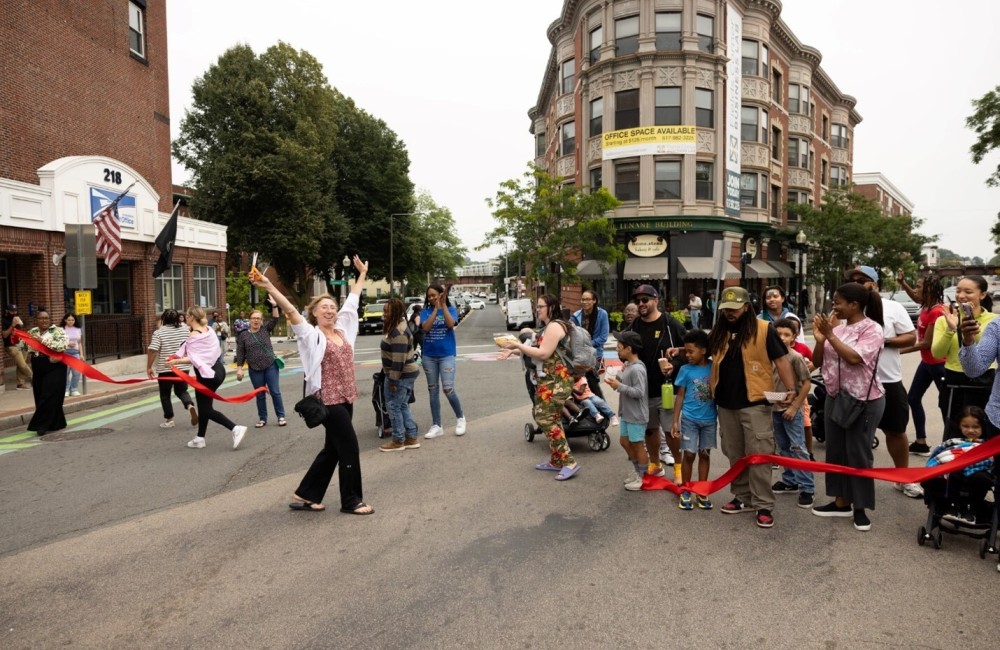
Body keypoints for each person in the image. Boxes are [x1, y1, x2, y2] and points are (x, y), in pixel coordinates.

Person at [252, 256, 374, 514]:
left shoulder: (343, 330)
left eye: (332, 307)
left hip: (346, 398)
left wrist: (362, 274)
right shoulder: (310, 335)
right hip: (328, 401)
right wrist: (269, 287)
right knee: (349, 447)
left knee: (333, 449)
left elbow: (352, 300)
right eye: (324, 308)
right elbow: (291, 311)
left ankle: (307, 494)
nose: (330, 310)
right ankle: (351, 501)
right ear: (315, 314)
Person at [707, 287, 796, 529]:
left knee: (758, 455)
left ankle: (763, 504)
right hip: (725, 405)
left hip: (756, 402)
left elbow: (781, 360)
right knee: (735, 454)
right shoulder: (720, 331)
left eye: (735, 309)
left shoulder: (764, 329)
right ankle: (742, 497)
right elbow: (707, 357)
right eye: (726, 309)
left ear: (747, 307)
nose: (730, 313)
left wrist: (791, 389)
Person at [810, 282, 885, 532]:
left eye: (838, 302)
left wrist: (830, 335)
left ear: (854, 305)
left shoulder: (872, 329)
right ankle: (840, 502)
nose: (834, 307)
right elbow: (817, 361)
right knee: (836, 452)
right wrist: (821, 340)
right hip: (835, 398)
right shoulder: (838, 329)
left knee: (858, 454)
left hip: (863, 401)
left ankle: (860, 508)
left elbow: (855, 358)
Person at [846, 266, 920, 498]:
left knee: (896, 431)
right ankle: (854, 482)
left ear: (875, 283)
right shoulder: (844, 308)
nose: (859, 283)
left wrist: (884, 341)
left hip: (888, 380)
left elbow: (911, 336)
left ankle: (903, 477)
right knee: (855, 435)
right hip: (855, 383)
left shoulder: (893, 307)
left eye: (864, 280)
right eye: (854, 280)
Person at [500, 294, 580, 481]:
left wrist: (517, 345)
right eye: (537, 306)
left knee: (544, 418)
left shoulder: (554, 326)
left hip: (557, 381)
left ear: (551, 307)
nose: (538, 309)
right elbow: (534, 347)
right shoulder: (548, 326)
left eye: (541, 306)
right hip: (548, 380)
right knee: (547, 417)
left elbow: (543, 353)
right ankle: (556, 460)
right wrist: (514, 349)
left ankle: (569, 462)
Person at [623, 284, 686, 476]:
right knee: (650, 430)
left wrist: (674, 363)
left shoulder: (670, 324)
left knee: (670, 431)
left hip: (667, 389)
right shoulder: (635, 325)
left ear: (656, 300)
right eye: (637, 301)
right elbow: (624, 349)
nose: (640, 304)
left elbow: (689, 350)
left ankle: (678, 467)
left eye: (645, 300)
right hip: (643, 391)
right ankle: (655, 464)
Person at [168, 306, 247, 451]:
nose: (185, 317)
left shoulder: (193, 336)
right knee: (205, 406)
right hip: (218, 370)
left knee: (205, 410)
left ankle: (235, 428)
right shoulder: (209, 330)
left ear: (192, 317)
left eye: (187, 315)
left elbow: (194, 359)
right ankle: (200, 438)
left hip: (206, 376)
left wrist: (175, 362)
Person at [930, 275, 997, 441]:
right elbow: (937, 353)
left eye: (968, 291)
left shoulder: (994, 322)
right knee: (954, 432)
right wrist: (951, 329)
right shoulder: (944, 319)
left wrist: (971, 330)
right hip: (953, 381)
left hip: (983, 381)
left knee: (983, 433)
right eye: (958, 291)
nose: (961, 296)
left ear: (982, 295)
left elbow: (985, 353)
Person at [919, 405, 994, 526]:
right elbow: (942, 454)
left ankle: (972, 509)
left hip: (979, 470)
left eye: (975, 427)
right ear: (959, 426)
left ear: (983, 427)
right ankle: (953, 505)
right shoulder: (954, 442)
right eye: (966, 426)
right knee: (953, 472)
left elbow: (991, 461)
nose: (970, 430)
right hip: (955, 469)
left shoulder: (987, 445)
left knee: (981, 478)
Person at [899, 273, 947, 456]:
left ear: (930, 289)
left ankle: (949, 444)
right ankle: (921, 442)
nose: (916, 290)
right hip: (927, 363)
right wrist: (903, 283)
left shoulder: (937, 311)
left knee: (945, 404)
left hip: (939, 364)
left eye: (919, 286)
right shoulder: (926, 305)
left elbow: (927, 343)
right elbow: (915, 296)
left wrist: (899, 351)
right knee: (913, 398)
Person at [769, 318, 815, 508]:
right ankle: (790, 480)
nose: (782, 338)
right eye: (778, 334)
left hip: (791, 410)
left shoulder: (795, 357)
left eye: (786, 335)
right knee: (783, 447)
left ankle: (807, 487)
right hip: (774, 409)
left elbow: (806, 383)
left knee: (798, 447)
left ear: (794, 338)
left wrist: (794, 407)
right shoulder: (768, 356)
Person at [670, 329, 717, 511]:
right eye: (686, 351)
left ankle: (702, 490)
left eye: (691, 351)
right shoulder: (685, 370)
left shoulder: (714, 367)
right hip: (689, 419)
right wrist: (675, 421)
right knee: (689, 454)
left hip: (710, 420)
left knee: (705, 454)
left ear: (703, 350)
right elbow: (680, 396)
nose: (687, 355)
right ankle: (687, 489)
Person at [419, 285, 466, 438]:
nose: (432, 298)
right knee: (433, 391)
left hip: (447, 355)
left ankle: (461, 418)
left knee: (448, 389)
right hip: (429, 356)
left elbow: (451, 324)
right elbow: (425, 328)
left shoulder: (450, 309)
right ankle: (437, 425)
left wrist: (443, 306)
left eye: (434, 295)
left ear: (441, 295)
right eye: (429, 296)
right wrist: (435, 309)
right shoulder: (425, 311)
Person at [605, 331, 647, 491]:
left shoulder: (637, 369)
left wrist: (619, 386)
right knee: (624, 441)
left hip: (636, 414)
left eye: (619, 347)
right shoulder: (629, 366)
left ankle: (643, 476)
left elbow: (639, 392)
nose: (617, 350)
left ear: (629, 349)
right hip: (627, 412)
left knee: (637, 444)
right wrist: (618, 381)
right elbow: (628, 386)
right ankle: (638, 471)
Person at [235, 299, 287, 428]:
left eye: (258, 318)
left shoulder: (265, 329)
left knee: (275, 391)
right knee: (260, 394)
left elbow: (275, 318)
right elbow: (240, 353)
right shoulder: (243, 335)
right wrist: (239, 369)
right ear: (249, 320)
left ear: (261, 320)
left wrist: (275, 304)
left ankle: (281, 416)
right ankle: (262, 418)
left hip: (270, 365)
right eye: (253, 318)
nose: (256, 320)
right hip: (254, 368)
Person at [378, 298, 421, 452]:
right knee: (402, 405)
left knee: (393, 406)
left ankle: (398, 440)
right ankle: (411, 437)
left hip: (400, 375)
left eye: (387, 311)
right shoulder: (397, 327)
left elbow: (398, 360)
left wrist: (393, 381)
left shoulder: (398, 332)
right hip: (406, 374)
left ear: (395, 312)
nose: (384, 314)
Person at [146, 309, 198, 429]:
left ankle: (169, 419)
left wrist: (149, 367)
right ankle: (189, 406)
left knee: (165, 394)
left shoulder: (159, 333)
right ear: (177, 318)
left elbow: (153, 350)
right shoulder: (186, 330)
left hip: (165, 368)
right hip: (182, 367)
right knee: (181, 391)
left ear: (163, 319)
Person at [25, 309, 68, 437]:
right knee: (39, 394)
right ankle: (57, 422)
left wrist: (41, 341)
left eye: (46, 318)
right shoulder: (32, 332)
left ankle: (41, 425)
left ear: (50, 320)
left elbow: (62, 345)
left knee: (49, 394)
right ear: (36, 320)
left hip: (55, 365)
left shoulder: (58, 331)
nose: (44, 321)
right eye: (41, 318)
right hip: (38, 365)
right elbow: (25, 347)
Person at [571, 289, 609, 399]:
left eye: (588, 299)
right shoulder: (576, 316)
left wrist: (586, 345)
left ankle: (604, 410)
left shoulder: (602, 314)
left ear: (594, 301)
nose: (584, 302)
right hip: (579, 355)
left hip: (595, 354)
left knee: (592, 382)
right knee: (580, 384)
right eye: (583, 299)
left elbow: (603, 337)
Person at [2, 304, 32, 390]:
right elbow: (4, 335)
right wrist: (12, 325)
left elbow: (21, 331)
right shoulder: (4, 320)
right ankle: (34, 378)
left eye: (15, 311)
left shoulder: (16, 317)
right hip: (11, 345)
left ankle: (20, 384)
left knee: (21, 364)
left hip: (21, 343)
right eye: (12, 311)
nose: (14, 313)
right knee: (22, 365)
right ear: (7, 311)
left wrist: (21, 324)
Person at [60, 313, 82, 397]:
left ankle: (74, 389)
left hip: (76, 353)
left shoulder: (78, 329)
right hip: (65, 353)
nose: (71, 322)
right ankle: (66, 389)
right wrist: (67, 343)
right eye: (69, 320)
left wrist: (81, 354)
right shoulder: (61, 329)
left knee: (76, 372)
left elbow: (79, 343)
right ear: (65, 320)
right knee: (66, 373)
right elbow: (59, 342)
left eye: (72, 320)